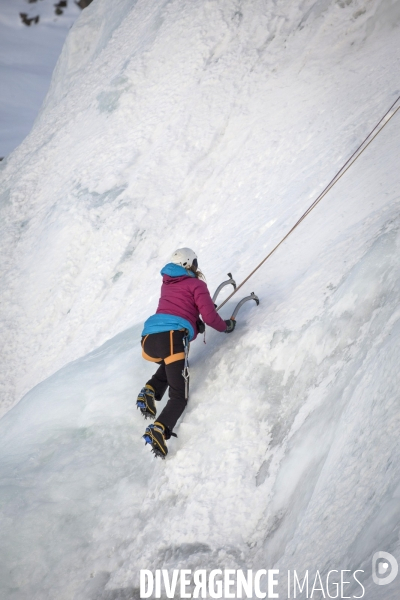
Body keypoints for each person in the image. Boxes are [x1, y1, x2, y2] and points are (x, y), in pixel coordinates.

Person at [137, 248, 236, 458]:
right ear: (190, 264)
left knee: (174, 363)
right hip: (170, 339)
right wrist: (225, 326)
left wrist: (193, 322)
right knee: (179, 396)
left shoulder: (167, 283)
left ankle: (150, 390)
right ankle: (159, 430)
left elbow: (178, 310)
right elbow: (209, 317)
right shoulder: (196, 285)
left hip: (148, 340)